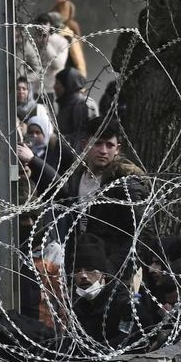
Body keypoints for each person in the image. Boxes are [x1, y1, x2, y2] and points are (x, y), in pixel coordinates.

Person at [60, 117, 148, 274]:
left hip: (113, 270)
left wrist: (111, 268)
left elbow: (141, 233)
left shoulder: (125, 184)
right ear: (85, 145)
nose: (103, 151)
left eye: (110, 145)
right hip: (82, 267)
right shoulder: (76, 177)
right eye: (98, 143)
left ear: (118, 149)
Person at [16, 111, 61, 199]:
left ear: (45, 133)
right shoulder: (23, 151)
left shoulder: (54, 152)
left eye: (38, 132)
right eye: (31, 132)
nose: (34, 135)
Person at [34, 13, 70, 112]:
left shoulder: (61, 42)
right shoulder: (32, 41)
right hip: (34, 89)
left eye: (45, 23)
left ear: (50, 25)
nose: (41, 27)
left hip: (52, 90)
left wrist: (47, 45)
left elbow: (59, 64)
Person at [54, 68, 96, 151]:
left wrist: (59, 141)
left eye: (58, 83)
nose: (55, 86)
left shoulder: (82, 105)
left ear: (68, 85)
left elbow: (83, 135)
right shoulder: (66, 103)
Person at [50, 0, 87, 79]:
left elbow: (79, 64)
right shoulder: (49, 34)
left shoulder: (70, 36)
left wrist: (79, 86)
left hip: (67, 79)